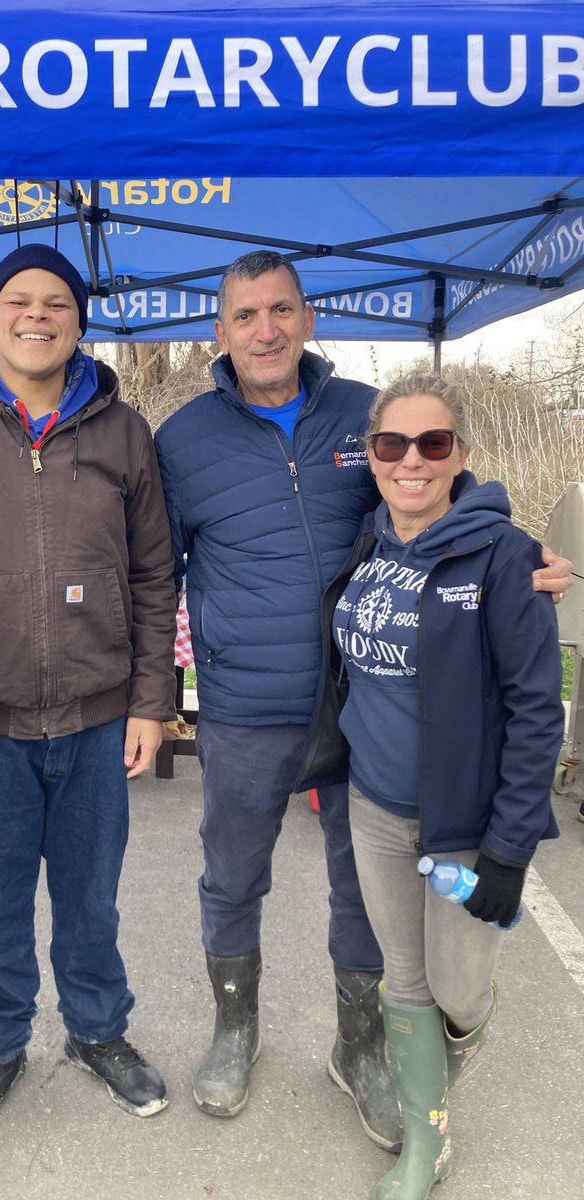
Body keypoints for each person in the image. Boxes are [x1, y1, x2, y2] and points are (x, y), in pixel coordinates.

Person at [153, 250, 571, 1148]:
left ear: (307, 319)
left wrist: (523, 556)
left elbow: (438, 502)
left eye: (279, 310)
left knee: (363, 891)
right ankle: (236, 1028)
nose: (263, 330)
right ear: (217, 331)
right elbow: (158, 575)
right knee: (232, 875)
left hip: (364, 706)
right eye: (243, 316)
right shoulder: (181, 440)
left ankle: (360, 1044)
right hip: (243, 706)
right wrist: (158, 695)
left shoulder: (366, 417)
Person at [0, 243, 177, 1147]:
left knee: (92, 898)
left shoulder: (122, 429)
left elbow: (152, 574)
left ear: (79, 320)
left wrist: (150, 702)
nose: (36, 315)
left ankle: (99, 1032)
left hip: (101, 719)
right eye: (18, 300)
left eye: (56, 302)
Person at [305, 373, 564, 1198]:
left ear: (460, 455)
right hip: (375, 808)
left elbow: (535, 707)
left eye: (433, 443)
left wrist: (512, 846)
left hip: (464, 822)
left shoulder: (505, 555)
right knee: (404, 981)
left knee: (455, 992)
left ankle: (435, 1087)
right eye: (393, 444)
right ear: (372, 456)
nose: (411, 460)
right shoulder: (370, 543)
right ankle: (427, 1145)